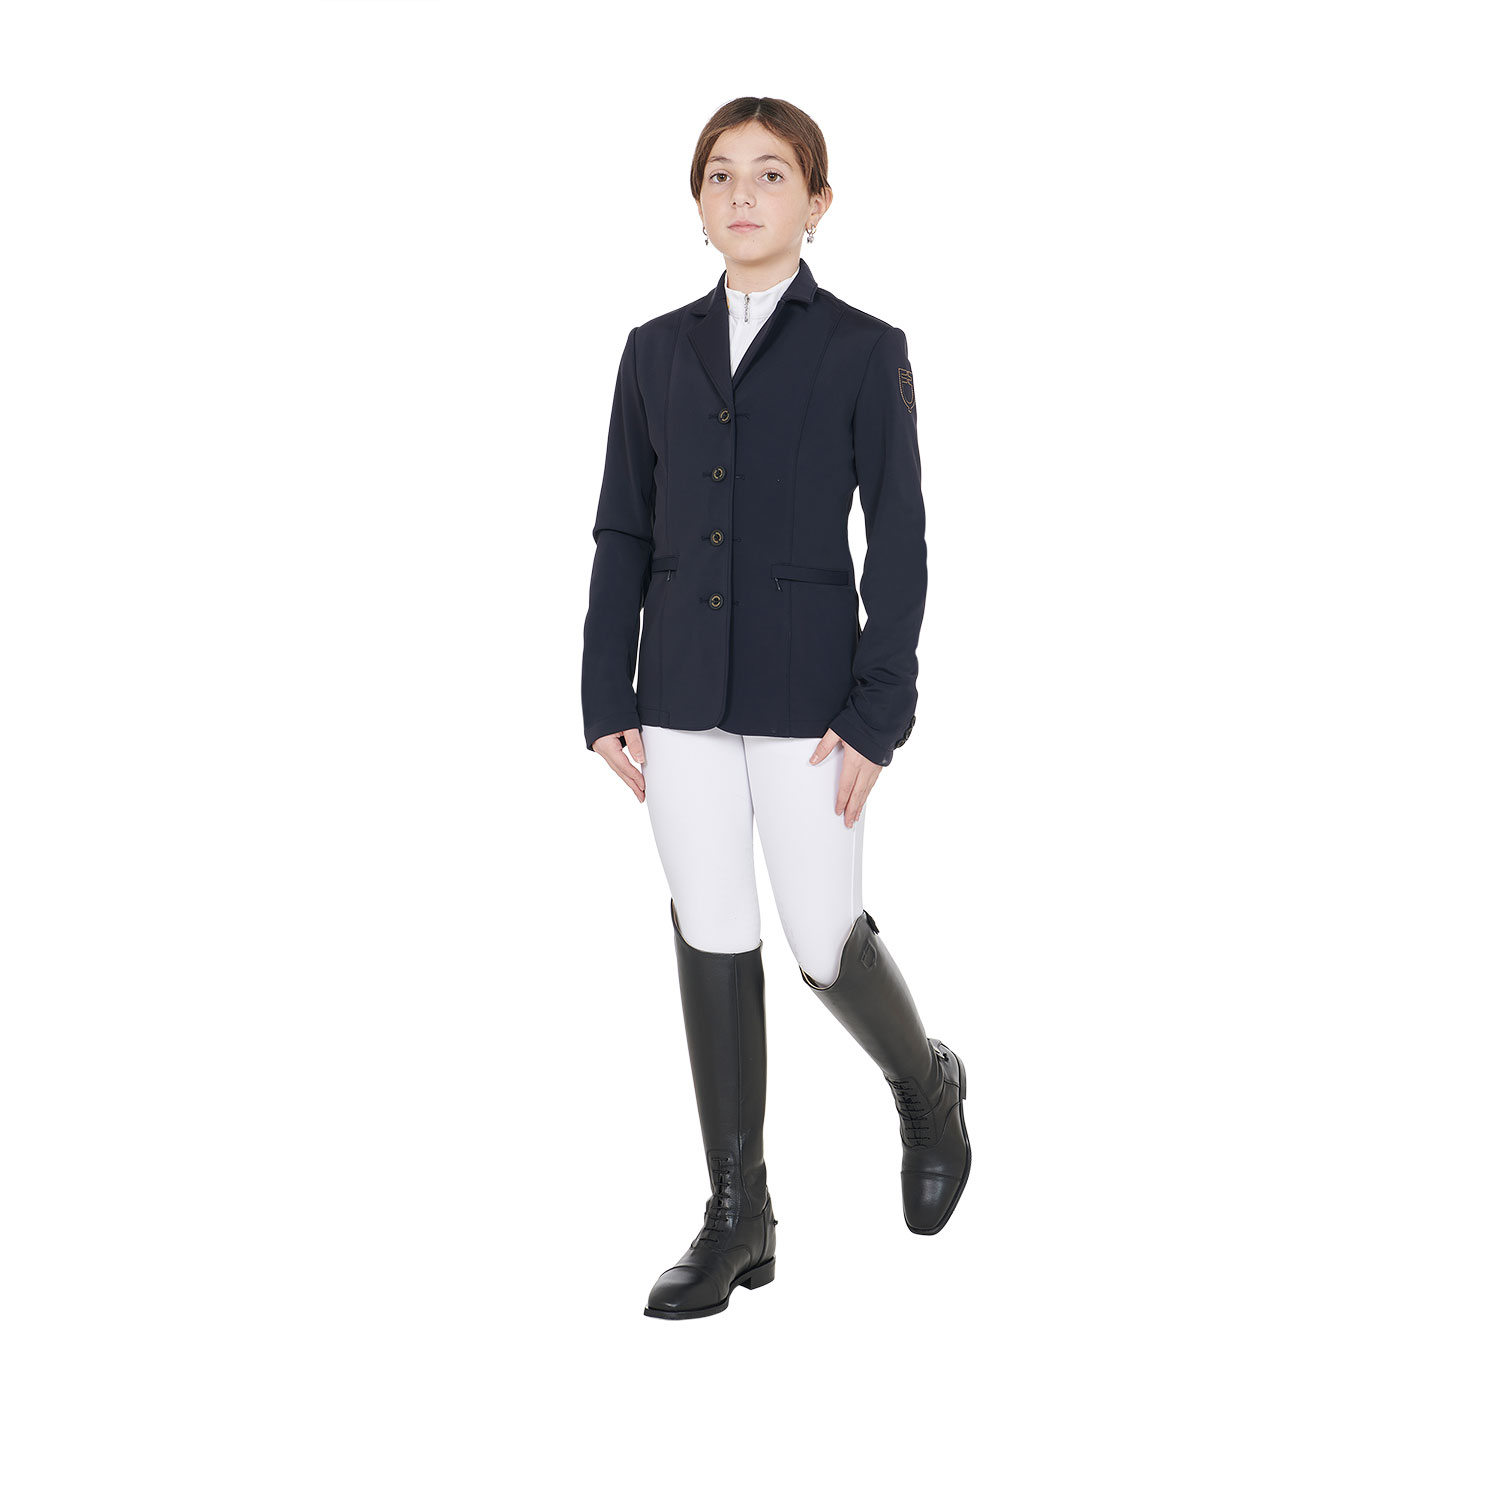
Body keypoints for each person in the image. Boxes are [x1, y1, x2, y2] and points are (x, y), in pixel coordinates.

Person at [581, 97, 970, 1320]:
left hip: (813, 705)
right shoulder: (653, 351)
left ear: (817, 201)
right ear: (697, 202)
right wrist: (604, 691)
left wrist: (879, 712)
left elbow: (898, 542)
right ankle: (737, 1210)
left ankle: (927, 1088)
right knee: (711, 929)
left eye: (770, 174)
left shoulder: (863, 348)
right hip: (678, 694)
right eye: (719, 174)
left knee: (819, 935)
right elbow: (623, 529)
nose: (742, 194)